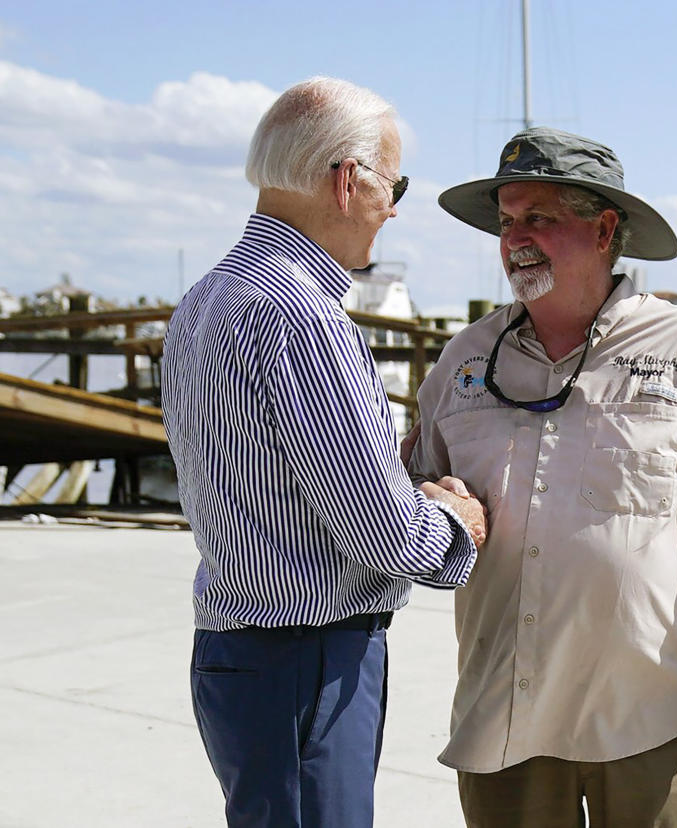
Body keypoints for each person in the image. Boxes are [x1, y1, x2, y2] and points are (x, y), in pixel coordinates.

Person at [406, 126, 677, 827]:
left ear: (604, 228)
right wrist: (423, 503)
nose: (515, 239)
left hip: (651, 726)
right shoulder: (465, 361)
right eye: (506, 222)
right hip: (505, 724)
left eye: (539, 218)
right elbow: (394, 501)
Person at [161, 76, 487, 828]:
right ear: (348, 181)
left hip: (239, 655)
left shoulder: (208, 297)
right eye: (393, 183)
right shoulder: (303, 315)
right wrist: (457, 521)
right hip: (306, 662)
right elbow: (384, 535)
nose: (395, 207)